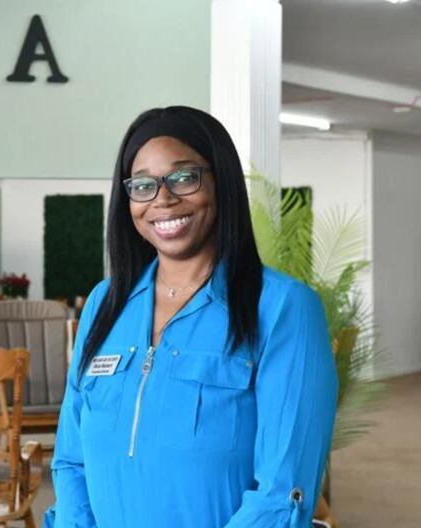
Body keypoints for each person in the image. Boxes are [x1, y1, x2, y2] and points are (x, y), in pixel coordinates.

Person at [44, 106, 338, 527]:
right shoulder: (104, 302)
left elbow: (282, 488)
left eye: (184, 177)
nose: (162, 198)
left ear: (220, 182)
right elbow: (72, 460)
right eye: (142, 185)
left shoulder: (282, 308)